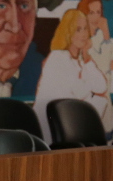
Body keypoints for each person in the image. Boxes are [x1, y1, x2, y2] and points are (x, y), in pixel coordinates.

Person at [33, 8, 108, 141]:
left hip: (69, 127)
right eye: (78, 29)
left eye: (85, 29)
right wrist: (93, 96)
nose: (84, 34)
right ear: (68, 32)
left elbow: (101, 87)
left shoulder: (80, 60)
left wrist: (87, 58)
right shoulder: (57, 57)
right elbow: (76, 94)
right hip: (49, 132)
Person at [80, 0, 113, 138]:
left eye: (98, 12)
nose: (96, 17)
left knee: (106, 130)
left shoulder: (104, 40)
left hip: (105, 95)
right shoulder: (80, 40)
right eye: (91, 12)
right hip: (86, 93)